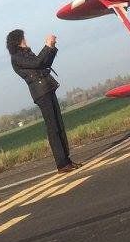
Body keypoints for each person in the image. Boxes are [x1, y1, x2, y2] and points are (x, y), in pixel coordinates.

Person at [7, 29, 78, 173]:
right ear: (17, 41)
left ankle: (66, 160)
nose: (25, 40)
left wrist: (51, 48)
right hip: (41, 93)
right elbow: (38, 62)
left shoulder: (25, 53)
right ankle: (61, 163)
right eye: (23, 38)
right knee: (53, 127)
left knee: (59, 125)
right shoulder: (16, 57)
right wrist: (47, 46)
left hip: (47, 88)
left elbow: (44, 63)